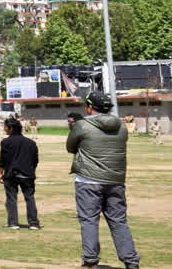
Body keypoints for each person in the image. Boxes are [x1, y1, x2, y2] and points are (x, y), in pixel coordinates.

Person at [67, 90, 139, 269]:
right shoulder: (122, 127)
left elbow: (70, 147)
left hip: (88, 181)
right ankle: (131, 261)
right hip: (116, 180)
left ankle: (90, 259)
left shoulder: (82, 126)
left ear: (90, 108)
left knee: (89, 220)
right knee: (118, 221)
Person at [0, 116, 40, 230]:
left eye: (6, 127)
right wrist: (31, 170)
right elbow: (35, 160)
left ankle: (13, 223)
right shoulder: (31, 143)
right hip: (27, 174)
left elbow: (3, 160)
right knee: (30, 198)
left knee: (11, 199)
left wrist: (0, 173)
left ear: (10, 128)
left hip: (11, 174)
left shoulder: (6, 142)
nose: (5, 129)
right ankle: (33, 223)